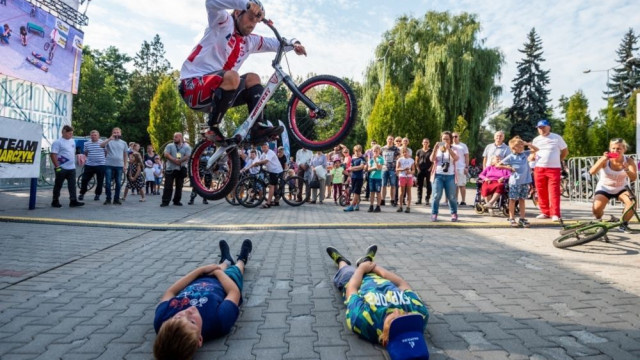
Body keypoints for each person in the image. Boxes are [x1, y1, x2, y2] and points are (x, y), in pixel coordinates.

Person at [178, 0, 306, 144]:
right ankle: (211, 128)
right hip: (192, 85)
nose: (252, 25)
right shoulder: (222, 21)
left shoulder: (250, 41)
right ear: (238, 12)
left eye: (256, 21)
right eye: (250, 18)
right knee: (233, 76)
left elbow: (277, 43)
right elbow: (211, 2)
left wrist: (294, 43)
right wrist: (245, 4)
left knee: (253, 78)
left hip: (217, 93)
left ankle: (257, 127)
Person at [326, 245, 430, 360]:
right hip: (380, 278)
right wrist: (376, 269)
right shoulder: (420, 315)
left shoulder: (363, 321)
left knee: (345, 271)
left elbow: (352, 289)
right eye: (406, 317)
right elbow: (402, 284)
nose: (398, 312)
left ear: (385, 340)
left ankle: (341, 260)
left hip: (354, 280)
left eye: (394, 322)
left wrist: (361, 270)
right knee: (371, 266)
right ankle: (367, 260)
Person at [153, 239, 253, 360]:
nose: (188, 311)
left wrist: (200, 270)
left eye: (177, 317)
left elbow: (170, 292)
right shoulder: (218, 322)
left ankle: (225, 261)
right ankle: (242, 260)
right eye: (192, 322)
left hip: (200, 280)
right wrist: (218, 273)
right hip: (226, 283)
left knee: (216, 267)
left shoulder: (161, 320)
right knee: (236, 270)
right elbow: (233, 292)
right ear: (200, 339)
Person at [589, 138, 638, 233]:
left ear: (624, 149)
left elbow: (634, 178)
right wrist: (602, 159)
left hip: (621, 188)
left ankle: (624, 224)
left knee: (632, 202)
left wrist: (627, 169)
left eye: (619, 148)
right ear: (610, 149)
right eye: (613, 148)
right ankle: (599, 219)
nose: (616, 151)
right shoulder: (605, 160)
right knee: (596, 209)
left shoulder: (629, 161)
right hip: (605, 188)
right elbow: (592, 172)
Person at [497, 137, 538, 227]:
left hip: (525, 181)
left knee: (522, 200)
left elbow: (536, 149)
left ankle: (522, 218)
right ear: (513, 148)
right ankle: (511, 218)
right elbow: (498, 165)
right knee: (512, 200)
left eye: (522, 146)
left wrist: (528, 144)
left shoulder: (524, 154)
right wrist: (509, 168)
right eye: (519, 146)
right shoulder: (510, 157)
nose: (521, 148)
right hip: (515, 181)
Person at [532, 119, 568, 221]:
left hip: (553, 169)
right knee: (541, 191)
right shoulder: (536, 140)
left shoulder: (557, 138)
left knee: (554, 191)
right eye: (539, 128)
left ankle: (555, 213)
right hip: (539, 168)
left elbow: (565, 151)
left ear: (549, 127)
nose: (542, 129)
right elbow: (534, 152)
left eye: (543, 127)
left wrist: (558, 160)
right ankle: (545, 212)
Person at [50, 125, 84, 208]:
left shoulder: (72, 141)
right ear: (63, 132)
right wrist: (57, 166)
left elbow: (71, 152)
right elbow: (53, 154)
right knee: (58, 184)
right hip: (61, 168)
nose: (71, 135)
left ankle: (73, 201)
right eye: (69, 134)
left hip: (71, 168)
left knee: (72, 185)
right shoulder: (58, 142)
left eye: (72, 133)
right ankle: (55, 200)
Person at [430, 131, 459, 222]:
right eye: (443, 139)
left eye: (447, 139)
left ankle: (454, 213)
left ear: (450, 140)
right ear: (441, 139)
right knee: (436, 195)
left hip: (450, 175)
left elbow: (456, 158)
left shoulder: (454, 148)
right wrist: (435, 149)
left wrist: (449, 149)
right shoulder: (438, 148)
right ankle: (434, 213)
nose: (445, 140)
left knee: (451, 196)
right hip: (438, 174)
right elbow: (431, 159)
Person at [249, 142, 283, 208]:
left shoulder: (270, 152)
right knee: (274, 186)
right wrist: (253, 165)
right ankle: (276, 201)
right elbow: (259, 160)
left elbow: (265, 161)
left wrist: (257, 163)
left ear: (268, 147)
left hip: (276, 171)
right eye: (262, 147)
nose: (263, 148)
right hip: (271, 171)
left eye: (265, 147)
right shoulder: (263, 154)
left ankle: (268, 203)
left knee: (271, 186)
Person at [162, 133, 192, 207]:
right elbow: (166, 154)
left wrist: (180, 161)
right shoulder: (170, 145)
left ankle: (177, 201)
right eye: (174, 137)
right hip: (170, 168)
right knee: (168, 185)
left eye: (176, 137)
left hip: (181, 168)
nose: (174, 138)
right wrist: (174, 160)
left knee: (179, 186)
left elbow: (188, 155)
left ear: (181, 138)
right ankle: (165, 201)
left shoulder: (186, 147)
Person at [100, 127, 128, 205]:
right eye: (114, 132)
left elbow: (125, 154)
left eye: (118, 132)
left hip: (119, 165)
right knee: (108, 183)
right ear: (112, 133)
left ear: (120, 133)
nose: (116, 134)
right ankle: (108, 199)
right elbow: (101, 145)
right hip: (109, 164)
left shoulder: (123, 143)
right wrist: (109, 139)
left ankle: (116, 199)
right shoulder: (109, 141)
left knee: (118, 183)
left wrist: (125, 165)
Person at [79, 130, 105, 201]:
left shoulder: (103, 143)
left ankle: (97, 194)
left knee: (100, 180)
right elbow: (86, 153)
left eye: (95, 135)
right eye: (92, 135)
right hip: (89, 164)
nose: (93, 137)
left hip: (100, 164)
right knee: (84, 179)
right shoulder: (87, 143)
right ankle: (82, 193)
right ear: (90, 136)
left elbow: (106, 152)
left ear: (98, 136)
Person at [344, 145, 366, 212]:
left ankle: (351, 206)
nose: (357, 152)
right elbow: (350, 167)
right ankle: (357, 204)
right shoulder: (353, 159)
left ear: (361, 151)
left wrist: (353, 168)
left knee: (356, 192)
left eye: (359, 151)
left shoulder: (362, 158)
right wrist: (350, 175)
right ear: (354, 151)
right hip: (353, 177)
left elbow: (361, 167)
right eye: (356, 151)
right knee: (355, 191)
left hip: (359, 177)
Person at [381, 135, 400, 207]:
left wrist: (397, 169)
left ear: (393, 140)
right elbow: (380, 158)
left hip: (393, 169)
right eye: (389, 139)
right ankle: (382, 200)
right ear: (386, 140)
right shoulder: (382, 148)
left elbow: (399, 159)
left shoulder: (396, 149)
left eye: (392, 139)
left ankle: (392, 200)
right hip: (384, 168)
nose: (390, 140)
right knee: (383, 185)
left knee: (393, 185)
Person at [451, 132, 469, 206]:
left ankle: (463, 200)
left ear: (459, 137)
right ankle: (455, 200)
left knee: (462, 185)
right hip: (452, 168)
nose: (454, 138)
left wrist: (466, 167)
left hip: (461, 167)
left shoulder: (463, 146)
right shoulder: (450, 146)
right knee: (454, 185)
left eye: (456, 136)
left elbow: (467, 157)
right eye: (452, 137)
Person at [396, 147, 415, 213]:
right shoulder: (400, 159)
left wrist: (410, 172)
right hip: (402, 176)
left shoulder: (411, 160)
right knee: (401, 192)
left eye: (406, 152)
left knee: (409, 192)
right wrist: (403, 169)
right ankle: (400, 206)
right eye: (403, 152)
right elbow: (397, 169)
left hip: (409, 177)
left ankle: (408, 207)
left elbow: (413, 170)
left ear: (408, 153)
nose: (405, 153)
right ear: (401, 153)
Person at [415, 138, 433, 206]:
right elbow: (416, 160)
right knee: (419, 185)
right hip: (420, 169)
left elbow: (433, 161)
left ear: (429, 143)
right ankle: (419, 199)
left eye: (427, 142)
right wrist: (417, 168)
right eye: (424, 142)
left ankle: (427, 199)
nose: (425, 143)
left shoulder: (431, 151)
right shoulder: (419, 151)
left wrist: (430, 168)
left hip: (428, 170)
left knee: (428, 185)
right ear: (422, 143)